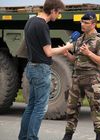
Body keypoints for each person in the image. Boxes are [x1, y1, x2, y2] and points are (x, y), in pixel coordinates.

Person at [18, 0, 73, 140]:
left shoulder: (30, 22)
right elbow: (48, 52)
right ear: (53, 10)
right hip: (41, 70)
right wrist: (66, 48)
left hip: (31, 67)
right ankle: (32, 138)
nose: (58, 16)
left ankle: (23, 137)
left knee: (31, 106)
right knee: (40, 108)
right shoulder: (42, 26)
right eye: (59, 12)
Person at [62, 11, 100, 140]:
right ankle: (68, 135)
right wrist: (67, 55)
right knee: (71, 108)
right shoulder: (79, 39)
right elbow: (76, 60)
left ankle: (99, 136)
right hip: (77, 78)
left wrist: (89, 53)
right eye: (82, 22)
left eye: (86, 23)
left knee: (96, 108)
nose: (83, 25)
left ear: (93, 24)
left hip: (92, 79)